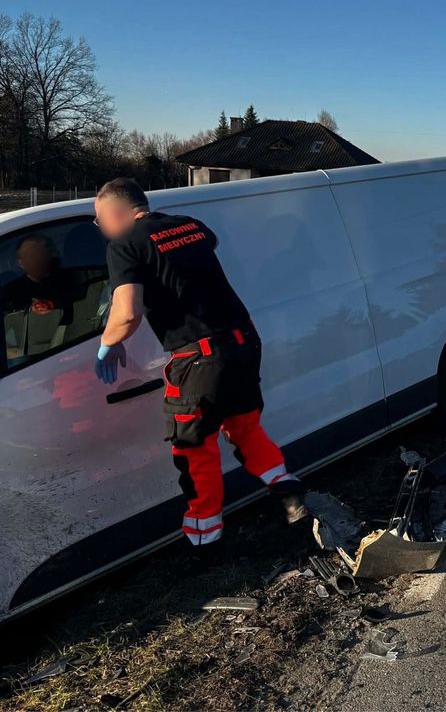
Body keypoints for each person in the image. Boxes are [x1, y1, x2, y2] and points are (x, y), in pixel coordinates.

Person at [93, 177, 306, 551]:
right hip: (243, 342)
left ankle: (204, 538)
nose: (102, 229)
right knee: (244, 426)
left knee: (193, 446)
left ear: (116, 212)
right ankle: (285, 486)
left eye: (100, 221)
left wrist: (107, 343)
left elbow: (127, 313)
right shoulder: (190, 225)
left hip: (200, 356)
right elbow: (205, 249)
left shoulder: (125, 245)